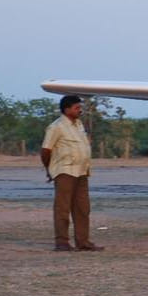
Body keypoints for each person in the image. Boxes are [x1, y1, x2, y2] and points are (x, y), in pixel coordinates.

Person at [40, 94, 103, 252]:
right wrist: (50, 169)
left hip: (81, 172)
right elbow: (46, 150)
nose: (79, 110)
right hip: (65, 171)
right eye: (77, 108)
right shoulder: (56, 127)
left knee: (83, 208)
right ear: (66, 109)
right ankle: (61, 242)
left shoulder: (79, 125)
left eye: (80, 107)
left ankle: (83, 241)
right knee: (63, 208)